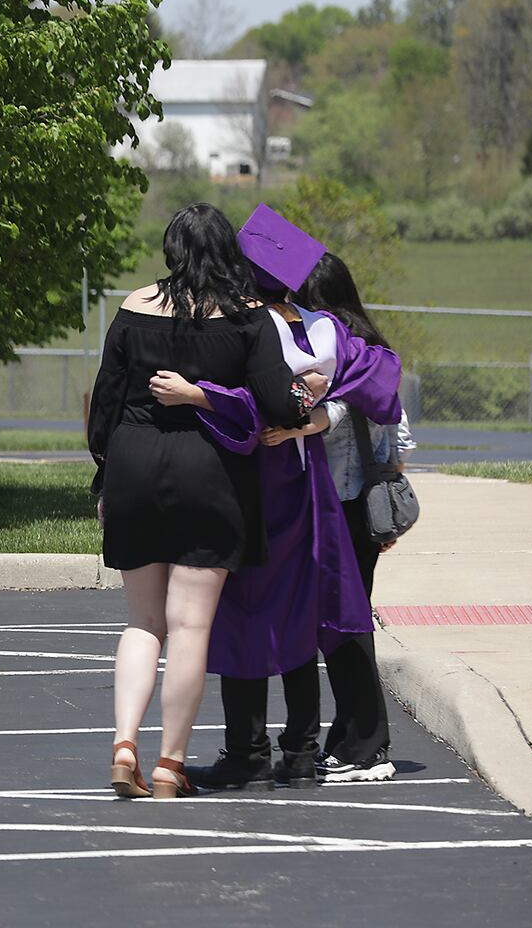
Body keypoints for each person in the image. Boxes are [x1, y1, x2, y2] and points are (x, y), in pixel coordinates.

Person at [152, 209, 402, 792]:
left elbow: (242, 398)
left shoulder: (236, 325)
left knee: (240, 614)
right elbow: (384, 375)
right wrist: (323, 404)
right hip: (305, 491)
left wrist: (297, 409)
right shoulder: (325, 330)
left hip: (245, 480)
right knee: (299, 615)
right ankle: (301, 751)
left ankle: (247, 751)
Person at [90, 202, 305, 799]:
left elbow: (105, 404)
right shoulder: (248, 317)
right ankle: (169, 764)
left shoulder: (133, 308)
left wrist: (103, 477)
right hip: (210, 476)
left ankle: (124, 745)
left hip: (133, 465)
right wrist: (306, 397)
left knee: (142, 622)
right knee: (190, 626)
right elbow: (280, 403)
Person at [292, 253, 415, 782]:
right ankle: (349, 742)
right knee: (348, 621)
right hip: (363, 506)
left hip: (337, 505)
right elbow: (401, 437)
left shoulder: (335, 355)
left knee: (343, 626)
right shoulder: (378, 353)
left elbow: (324, 422)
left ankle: (366, 747)